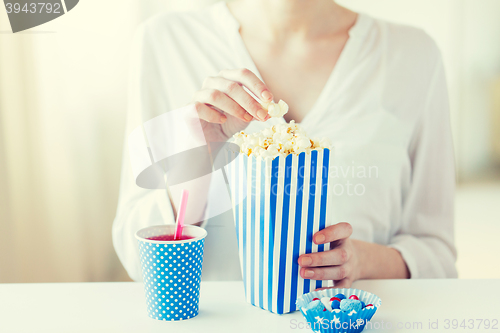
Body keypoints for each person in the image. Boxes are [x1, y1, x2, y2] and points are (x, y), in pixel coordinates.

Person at [113, 0, 457, 287]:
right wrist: (198, 161)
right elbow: (136, 257)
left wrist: (362, 261)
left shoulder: (413, 55)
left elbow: (437, 258)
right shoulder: (165, 42)